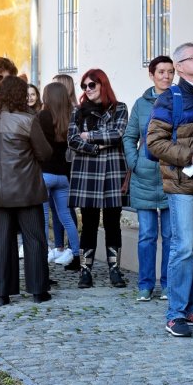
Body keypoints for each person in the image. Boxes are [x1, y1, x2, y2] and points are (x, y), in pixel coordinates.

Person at [146, 42, 193, 337]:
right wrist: (191, 156)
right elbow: (154, 143)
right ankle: (175, 313)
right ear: (179, 66)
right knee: (183, 246)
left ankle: (191, 307)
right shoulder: (168, 100)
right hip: (180, 184)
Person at [0, 76, 52, 306]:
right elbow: (45, 153)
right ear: (20, 96)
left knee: (0, 240)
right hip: (26, 189)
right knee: (34, 238)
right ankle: (38, 290)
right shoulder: (28, 121)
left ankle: (2, 293)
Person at [68, 68, 128, 289]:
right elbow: (72, 139)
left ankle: (114, 270)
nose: (87, 89)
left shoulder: (119, 108)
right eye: (84, 86)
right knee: (89, 222)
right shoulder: (78, 111)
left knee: (113, 222)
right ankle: (86, 271)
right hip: (87, 171)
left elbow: (118, 134)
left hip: (113, 171)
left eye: (91, 85)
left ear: (103, 84)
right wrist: (96, 148)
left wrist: (90, 136)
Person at [123, 55, 174, 302]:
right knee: (147, 236)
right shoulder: (141, 104)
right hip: (144, 177)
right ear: (151, 75)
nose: (166, 76)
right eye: (161, 72)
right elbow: (129, 136)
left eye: (170, 72)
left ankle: (167, 284)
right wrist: (135, 162)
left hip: (171, 177)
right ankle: (145, 285)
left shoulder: (178, 100)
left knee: (171, 236)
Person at [38, 82, 80, 270]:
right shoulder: (70, 116)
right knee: (67, 217)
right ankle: (77, 254)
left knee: (43, 216)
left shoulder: (42, 116)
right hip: (63, 175)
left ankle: (43, 255)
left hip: (45, 173)